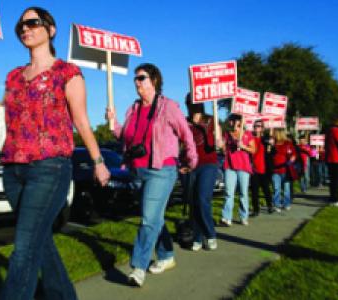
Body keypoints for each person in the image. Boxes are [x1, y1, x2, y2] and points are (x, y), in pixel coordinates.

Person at [0, 7, 110, 299]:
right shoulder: (13, 77)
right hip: (13, 171)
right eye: (21, 26)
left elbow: (81, 120)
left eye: (33, 22)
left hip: (49, 169)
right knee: (40, 241)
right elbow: (7, 120)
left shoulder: (67, 73)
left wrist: (98, 160)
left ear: (50, 29)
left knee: (23, 248)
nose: (25, 28)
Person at [106, 63, 197, 287]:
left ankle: (138, 267)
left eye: (142, 78)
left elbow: (186, 134)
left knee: (148, 219)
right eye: (135, 79)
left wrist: (191, 159)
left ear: (154, 80)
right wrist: (113, 123)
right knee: (155, 217)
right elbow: (125, 138)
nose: (137, 82)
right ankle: (166, 255)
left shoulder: (168, 107)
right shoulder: (133, 109)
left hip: (161, 169)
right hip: (137, 170)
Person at [184, 94, 223, 251]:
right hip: (190, 166)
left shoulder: (211, 120)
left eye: (194, 103)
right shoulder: (185, 122)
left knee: (202, 199)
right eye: (189, 103)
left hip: (208, 163)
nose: (191, 106)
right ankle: (198, 237)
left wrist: (219, 142)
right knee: (193, 203)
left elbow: (220, 143)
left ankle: (210, 233)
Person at [221, 114, 255, 226]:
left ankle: (244, 216)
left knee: (243, 193)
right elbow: (223, 149)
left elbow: (253, 150)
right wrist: (221, 146)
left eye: (234, 120)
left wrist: (244, 146)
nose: (232, 123)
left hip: (243, 167)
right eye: (230, 120)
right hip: (229, 166)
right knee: (228, 192)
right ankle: (227, 217)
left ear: (240, 121)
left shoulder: (247, 134)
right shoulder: (226, 134)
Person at [250, 120, 274, 215]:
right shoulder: (250, 138)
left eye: (259, 126)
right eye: (255, 126)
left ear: (262, 128)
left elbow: (271, 150)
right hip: (253, 168)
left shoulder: (265, 139)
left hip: (264, 168)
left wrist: (270, 145)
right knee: (254, 191)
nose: (257, 128)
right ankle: (256, 210)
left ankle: (270, 206)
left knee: (266, 189)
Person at [270, 128, 296, 212]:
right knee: (276, 188)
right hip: (275, 169)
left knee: (286, 188)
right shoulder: (273, 144)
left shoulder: (287, 143)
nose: (273, 134)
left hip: (285, 169)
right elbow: (269, 154)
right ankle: (276, 204)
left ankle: (286, 203)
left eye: (275, 133)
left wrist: (291, 159)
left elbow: (294, 154)